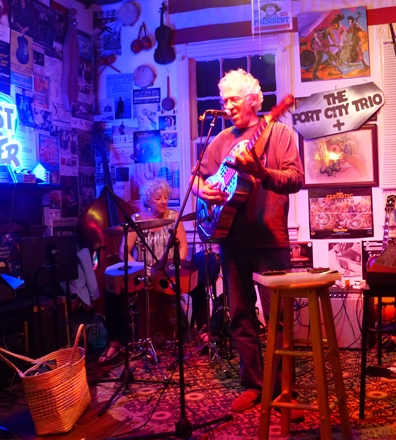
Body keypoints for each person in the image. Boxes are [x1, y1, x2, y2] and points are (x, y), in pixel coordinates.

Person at [192, 69, 304, 416]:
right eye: (223, 100)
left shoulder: (279, 133)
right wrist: (204, 191)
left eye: (233, 100)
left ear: (254, 100)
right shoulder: (220, 139)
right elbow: (197, 177)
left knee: (278, 319)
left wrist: (262, 173)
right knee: (240, 315)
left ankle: (283, 390)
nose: (227, 106)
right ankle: (254, 385)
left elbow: (296, 179)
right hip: (230, 238)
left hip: (271, 239)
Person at [99, 178, 188, 364]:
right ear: (148, 200)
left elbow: (183, 247)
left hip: (167, 272)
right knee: (111, 292)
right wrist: (139, 270)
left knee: (198, 283)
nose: (163, 201)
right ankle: (117, 341)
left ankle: (194, 335)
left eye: (166, 197)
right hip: (143, 273)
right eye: (158, 198)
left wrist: (174, 267)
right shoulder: (137, 220)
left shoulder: (174, 218)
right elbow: (124, 252)